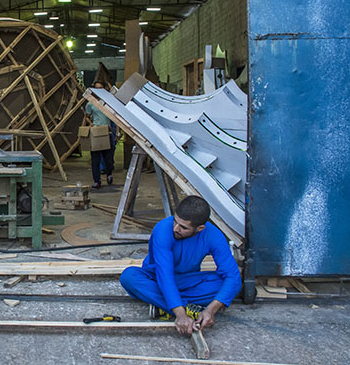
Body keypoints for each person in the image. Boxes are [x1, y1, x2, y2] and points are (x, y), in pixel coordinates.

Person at [119, 195, 241, 335]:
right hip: (156, 278)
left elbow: (232, 276)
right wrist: (181, 315)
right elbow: (164, 276)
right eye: (175, 221)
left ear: (200, 228)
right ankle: (186, 308)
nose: (176, 228)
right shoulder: (163, 229)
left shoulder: (214, 235)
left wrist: (211, 310)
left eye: (183, 227)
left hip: (188, 280)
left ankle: (163, 305)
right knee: (129, 276)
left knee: (232, 285)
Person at [85, 80, 117, 189]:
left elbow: (114, 116)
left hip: (107, 132)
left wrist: (114, 130)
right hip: (96, 132)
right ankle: (97, 181)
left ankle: (109, 174)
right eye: (96, 88)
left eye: (100, 88)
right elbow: (87, 117)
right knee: (95, 159)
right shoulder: (90, 103)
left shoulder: (108, 102)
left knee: (108, 159)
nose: (98, 90)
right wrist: (92, 125)